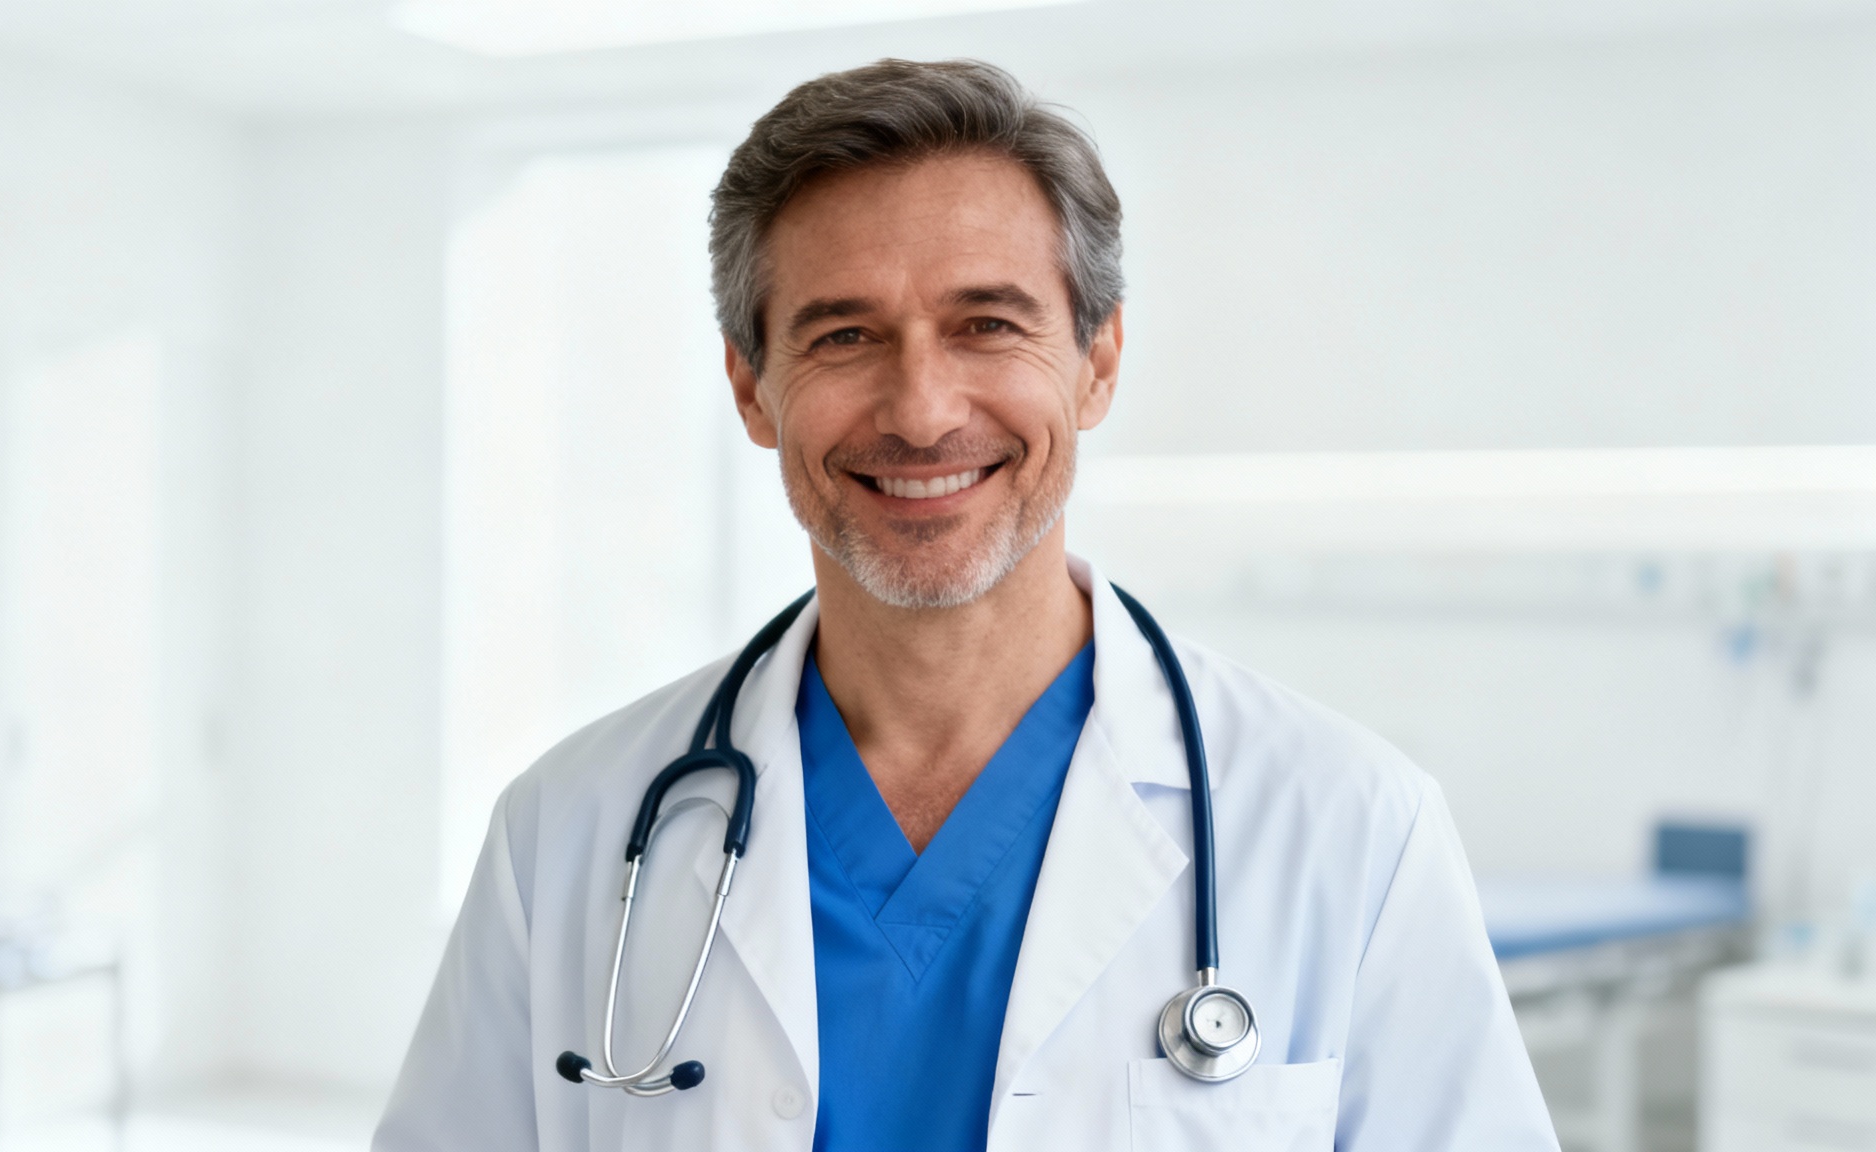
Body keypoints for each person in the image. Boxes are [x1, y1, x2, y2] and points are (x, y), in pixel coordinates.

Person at [374, 59, 1558, 1152]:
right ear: (751, 388)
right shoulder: (567, 834)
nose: (923, 410)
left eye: (986, 324)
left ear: (1096, 361)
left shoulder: (1346, 825)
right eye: (844, 335)